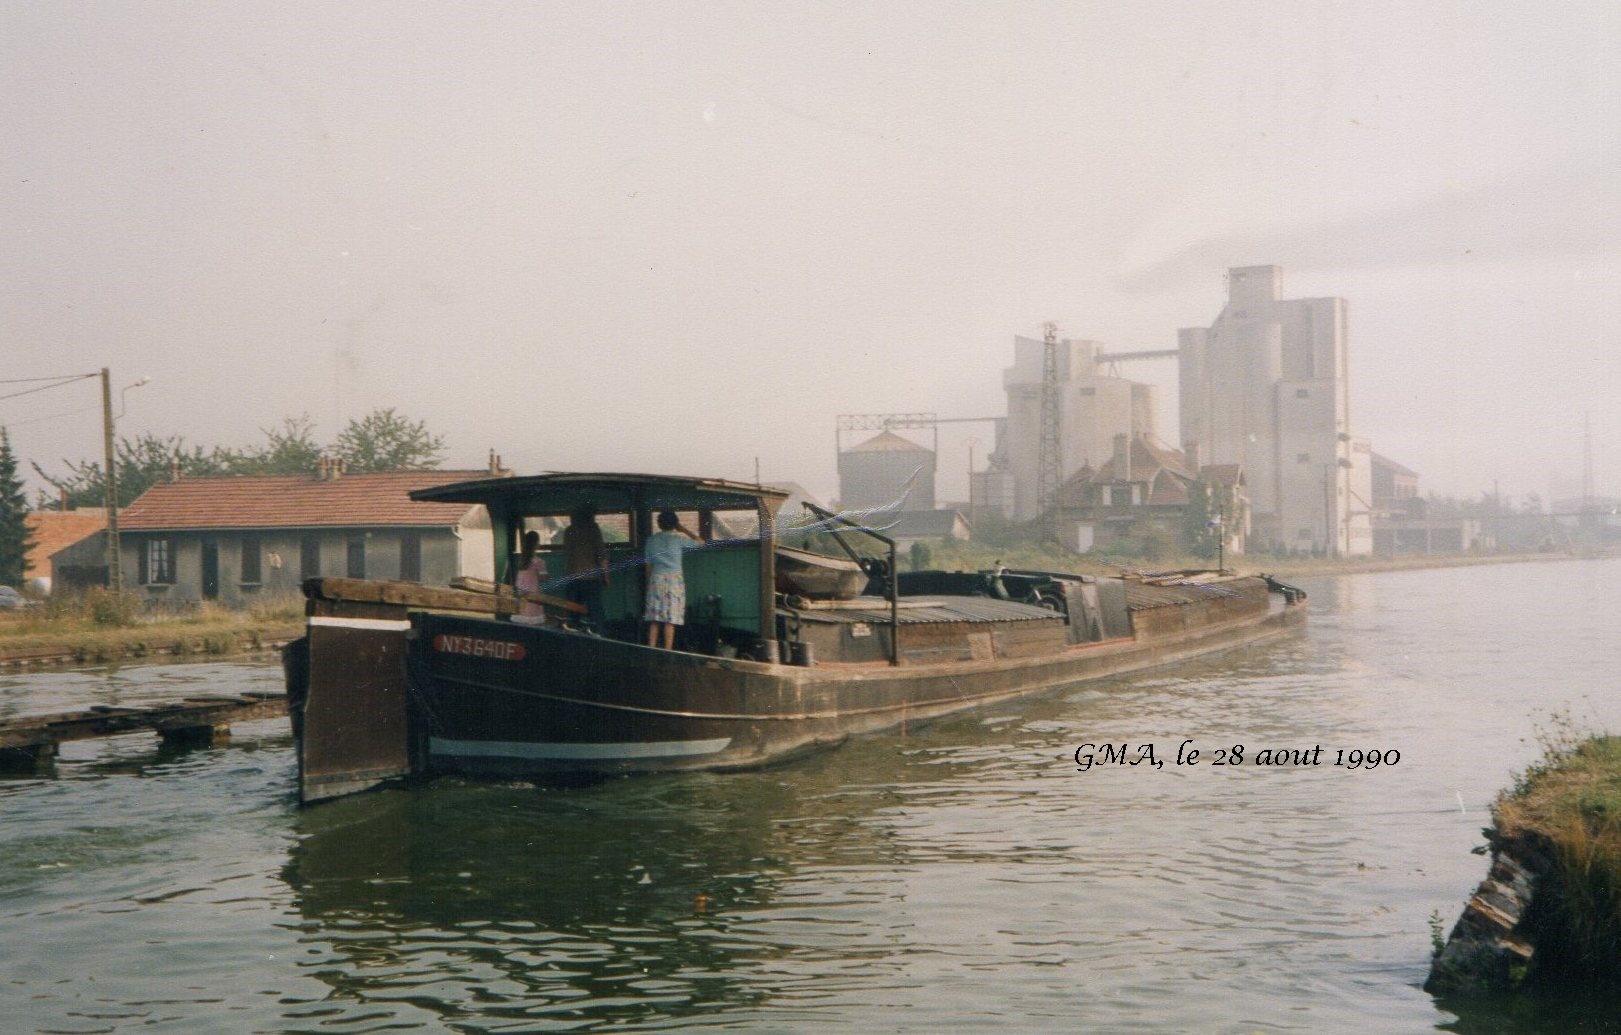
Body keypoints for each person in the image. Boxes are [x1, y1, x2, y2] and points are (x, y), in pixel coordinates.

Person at [643, 509, 703, 650]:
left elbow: (648, 566)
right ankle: (668, 651)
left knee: (654, 619)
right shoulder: (678, 539)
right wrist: (682, 529)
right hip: (674, 581)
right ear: (675, 523)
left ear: (659, 524)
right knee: (670, 620)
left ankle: (651, 650)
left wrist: (648, 584)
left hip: (656, 579)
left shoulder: (651, 541)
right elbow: (701, 542)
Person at [561, 502, 610, 630]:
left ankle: (574, 636)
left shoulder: (569, 530)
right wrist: (606, 577)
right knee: (596, 612)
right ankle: (599, 637)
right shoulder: (593, 529)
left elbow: (568, 553)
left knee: (573, 613)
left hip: (572, 576)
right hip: (591, 577)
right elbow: (602, 555)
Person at [512, 529, 546, 625]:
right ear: (536, 544)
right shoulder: (538, 561)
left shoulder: (521, 560)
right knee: (533, 618)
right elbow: (543, 578)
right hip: (532, 594)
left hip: (520, 592)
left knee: (522, 618)